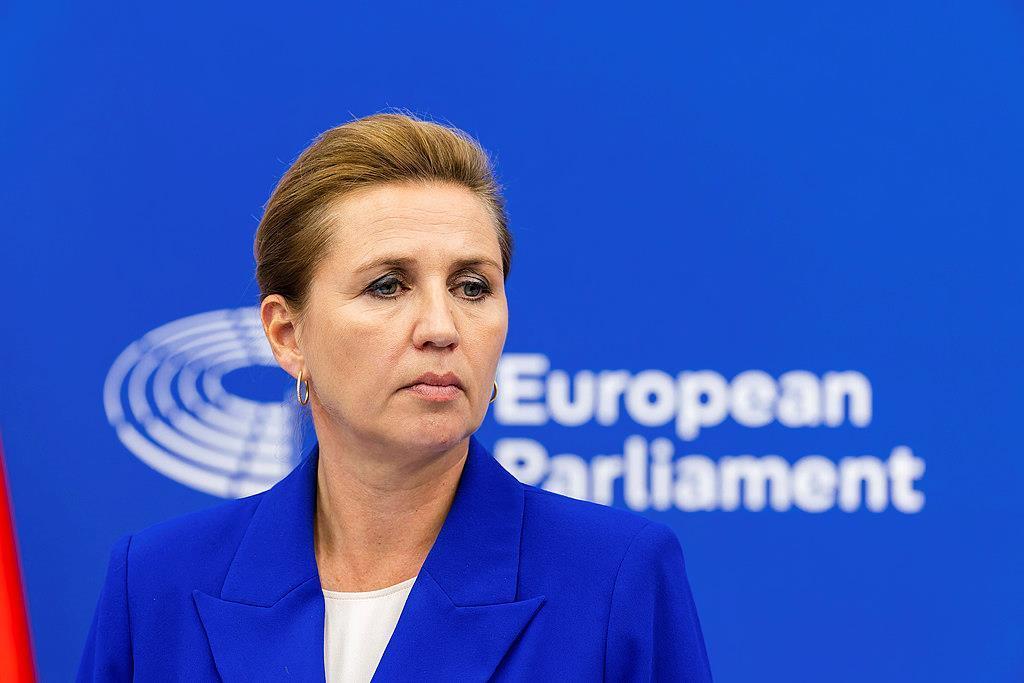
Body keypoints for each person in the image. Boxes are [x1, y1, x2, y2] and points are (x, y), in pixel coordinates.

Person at [77, 112, 713, 681]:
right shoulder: (156, 583)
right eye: (387, 286)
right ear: (288, 336)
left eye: (471, 287)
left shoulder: (614, 580)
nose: (441, 327)